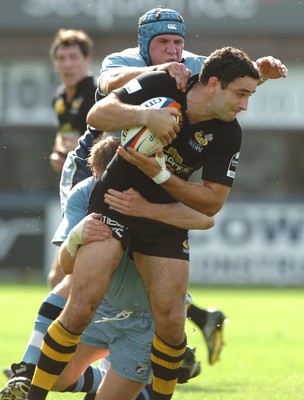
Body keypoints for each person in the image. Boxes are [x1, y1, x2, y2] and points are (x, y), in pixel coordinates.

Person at [25, 46, 286, 400]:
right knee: (81, 304)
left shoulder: (228, 133)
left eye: (250, 95)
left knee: (171, 324)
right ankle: (33, 394)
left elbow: (212, 203)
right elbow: (99, 113)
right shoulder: (166, 82)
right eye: (241, 94)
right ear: (212, 84)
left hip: (161, 218)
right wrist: (145, 118)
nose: (245, 105)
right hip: (115, 203)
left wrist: (161, 175)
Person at [1, 136, 211, 400]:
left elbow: (207, 217)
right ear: (95, 173)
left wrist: (148, 210)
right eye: (101, 179)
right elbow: (67, 267)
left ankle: (151, 376)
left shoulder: (156, 193)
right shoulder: (85, 193)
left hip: (144, 320)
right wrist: (78, 235)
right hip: (101, 306)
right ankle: (28, 370)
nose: (107, 187)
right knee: (57, 375)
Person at [47, 28, 97, 288]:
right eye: (62, 58)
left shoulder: (97, 94)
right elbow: (64, 134)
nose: (68, 64)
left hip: (95, 189)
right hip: (74, 188)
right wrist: (59, 154)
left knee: (59, 275)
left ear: (88, 60)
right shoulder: (59, 97)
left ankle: (51, 329)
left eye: (73, 57)